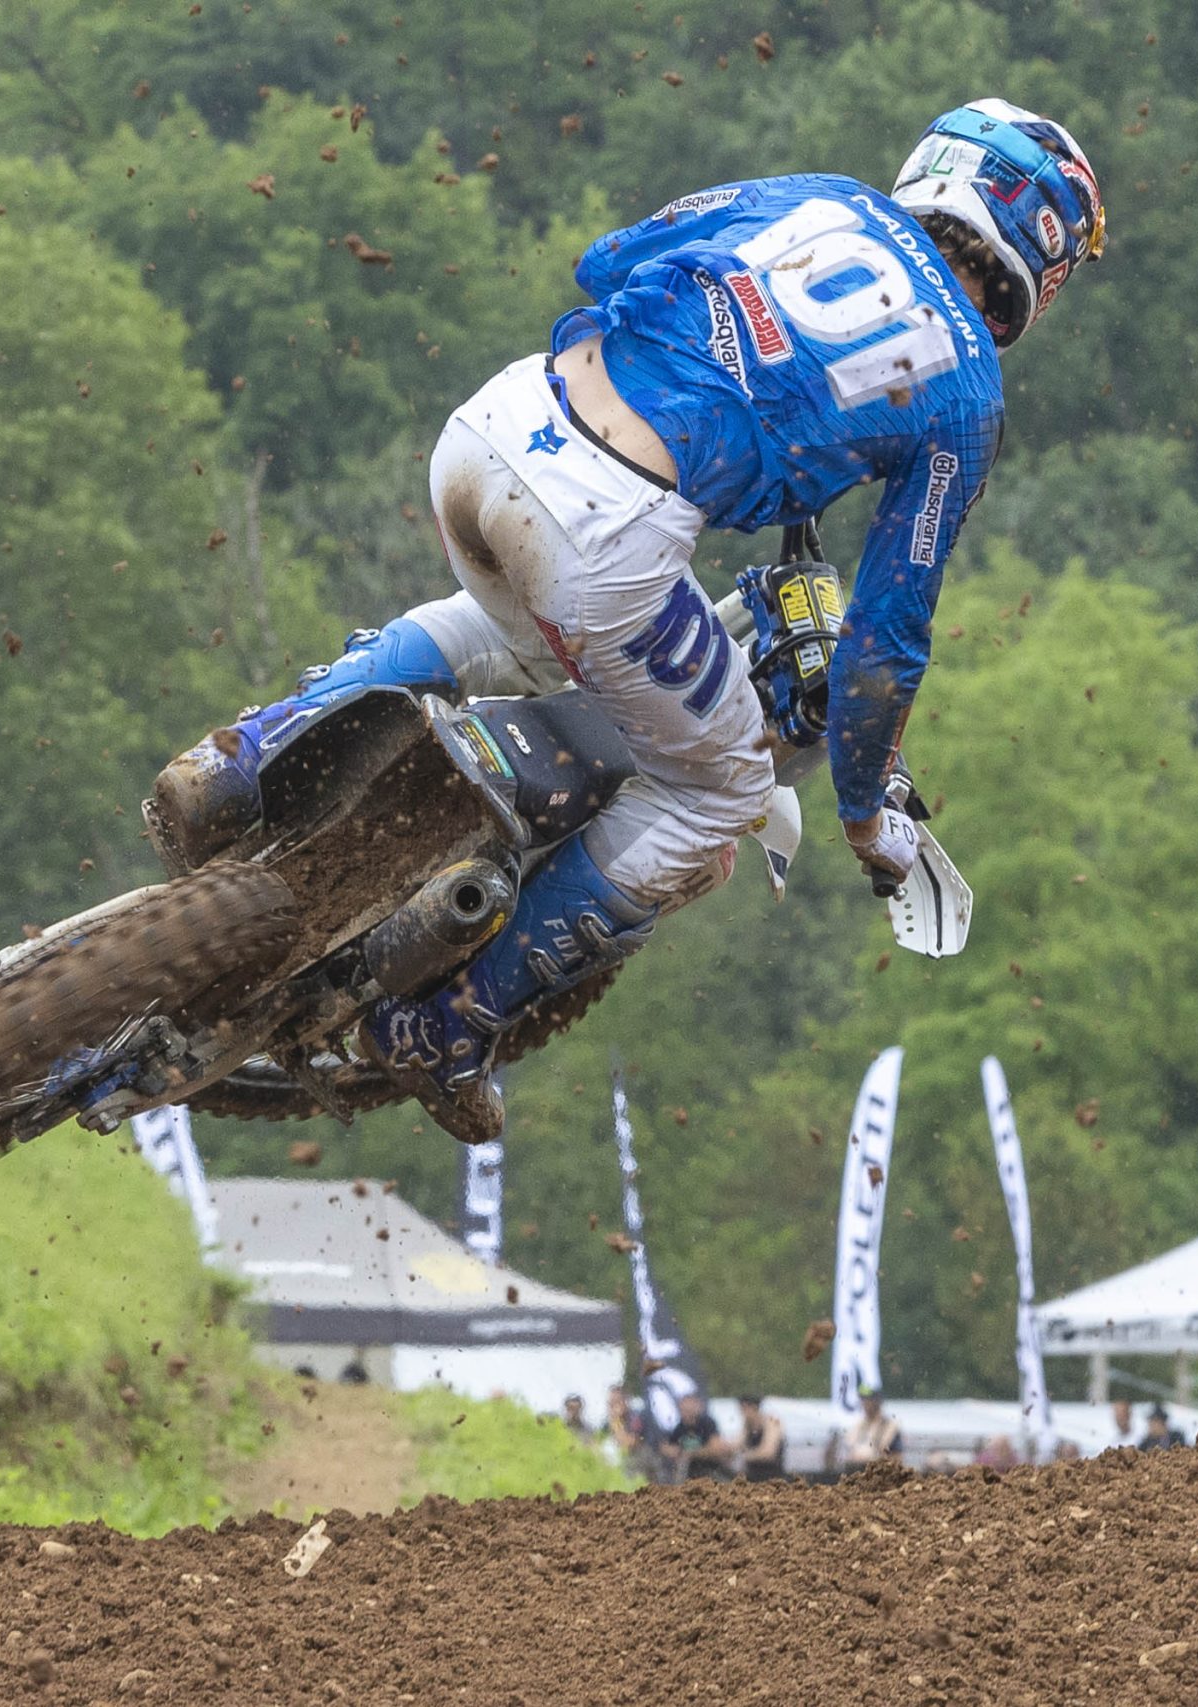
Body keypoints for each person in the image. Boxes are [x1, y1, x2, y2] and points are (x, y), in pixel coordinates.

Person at [149, 102, 1106, 1144]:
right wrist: (866, 813)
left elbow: (612, 258)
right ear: (1040, 251)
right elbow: (889, 636)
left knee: (502, 627)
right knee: (722, 786)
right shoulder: (965, 387)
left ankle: (243, 755)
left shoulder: (820, 198)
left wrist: (741, 381)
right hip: (609, 533)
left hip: (497, 429)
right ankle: (446, 1025)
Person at [660, 1389, 729, 1482]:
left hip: (710, 1470)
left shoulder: (707, 1423)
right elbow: (668, 1447)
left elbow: (716, 1449)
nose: (686, 1413)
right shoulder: (680, 1427)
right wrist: (672, 1451)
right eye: (683, 1410)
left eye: (689, 1409)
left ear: (698, 1407)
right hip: (689, 1474)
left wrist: (689, 1453)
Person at [830, 1386, 905, 1471]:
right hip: (855, 1471)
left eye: (869, 1400)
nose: (865, 1403)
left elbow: (897, 1456)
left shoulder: (889, 1426)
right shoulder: (859, 1425)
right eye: (863, 1399)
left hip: (879, 1474)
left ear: (877, 1401)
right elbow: (847, 1449)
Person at [735, 1393, 786, 1483]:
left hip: (773, 1477)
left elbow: (768, 1453)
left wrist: (745, 1456)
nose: (741, 1413)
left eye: (744, 1409)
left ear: (754, 1407)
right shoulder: (747, 1425)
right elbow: (737, 1445)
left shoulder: (771, 1422)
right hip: (751, 1475)